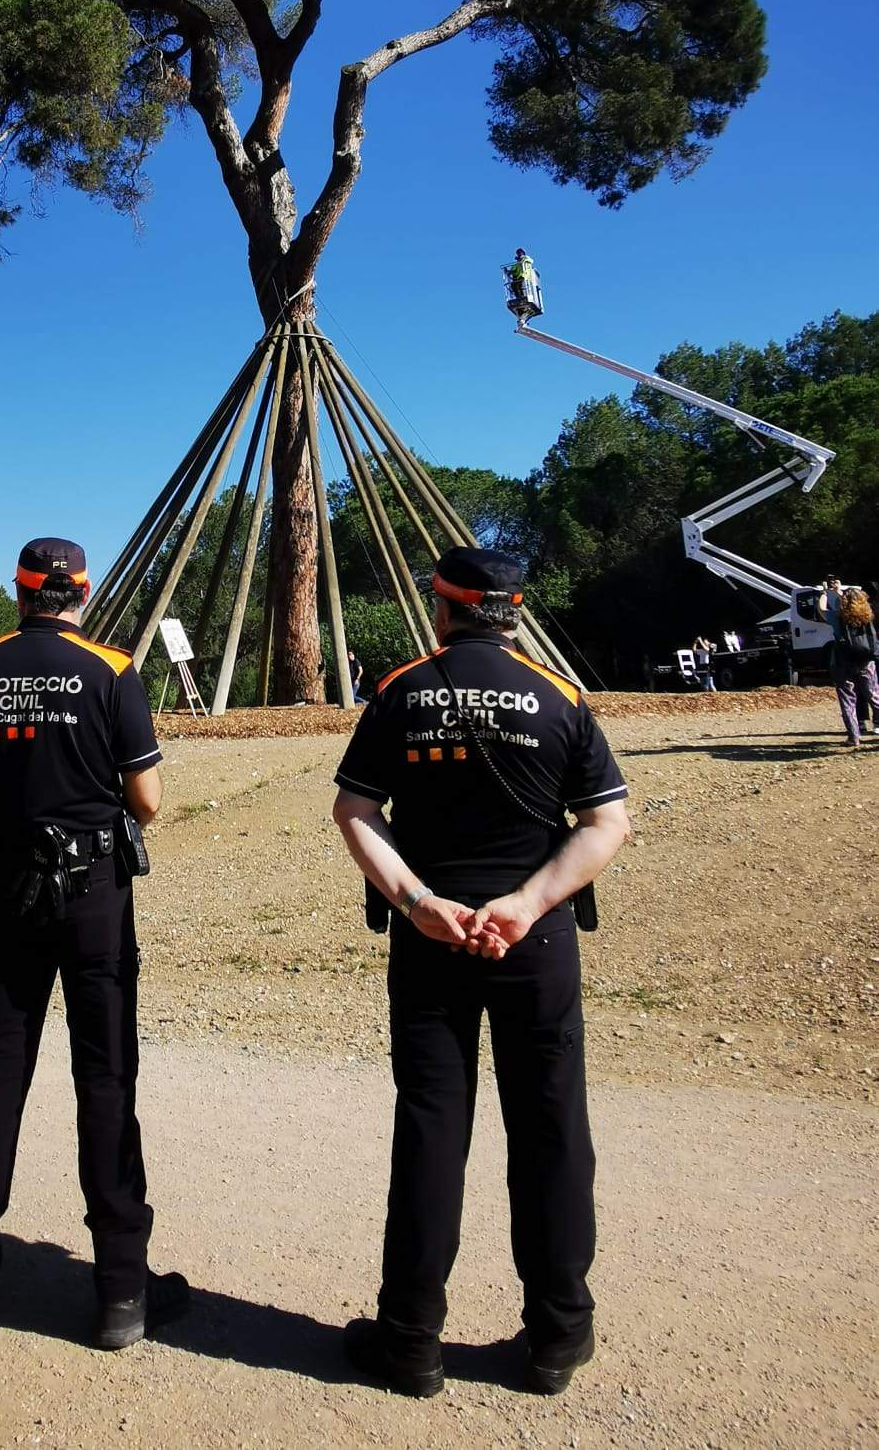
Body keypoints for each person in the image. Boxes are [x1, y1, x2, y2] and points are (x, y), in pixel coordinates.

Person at [332, 546, 630, 1401]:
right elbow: (606, 821)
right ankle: (557, 1336)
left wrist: (418, 899)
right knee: (550, 1129)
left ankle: (411, 1340)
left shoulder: (399, 691)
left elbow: (356, 809)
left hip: (431, 938)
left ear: (444, 606)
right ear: (512, 610)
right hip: (531, 944)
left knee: (430, 1130)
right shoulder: (558, 696)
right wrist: (530, 901)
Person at [0, 536, 189, 1347]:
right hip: (93, 896)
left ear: (19, 592)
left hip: (9, 889)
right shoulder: (112, 670)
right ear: (82, 592)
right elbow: (145, 798)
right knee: (106, 1078)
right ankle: (120, 1292)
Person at [828, 587, 879, 749]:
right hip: (865, 662)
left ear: (843, 602)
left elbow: (821, 609)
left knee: (848, 700)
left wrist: (825, 593)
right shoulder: (867, 616)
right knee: (875, 697)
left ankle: (854, 737)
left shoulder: (836, 617)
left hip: (843, 662)